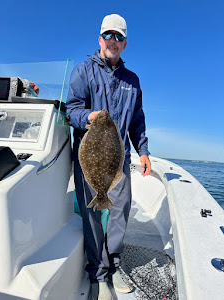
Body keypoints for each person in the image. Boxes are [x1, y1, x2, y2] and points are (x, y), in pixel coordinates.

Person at [66, 13, 151, 300]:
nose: (114, 41)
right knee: (91, 215)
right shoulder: (83, 70)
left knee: (120, 211)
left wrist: (144, 151)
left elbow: (137, 120)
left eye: (120, 37)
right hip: (89, 158)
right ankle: (98, 275)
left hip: (120, 159)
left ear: (125, 44)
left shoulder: (133, 80)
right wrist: (87, 116)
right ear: (100, 39)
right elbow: (71, 110)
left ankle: (114, 267)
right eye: (109, 35)